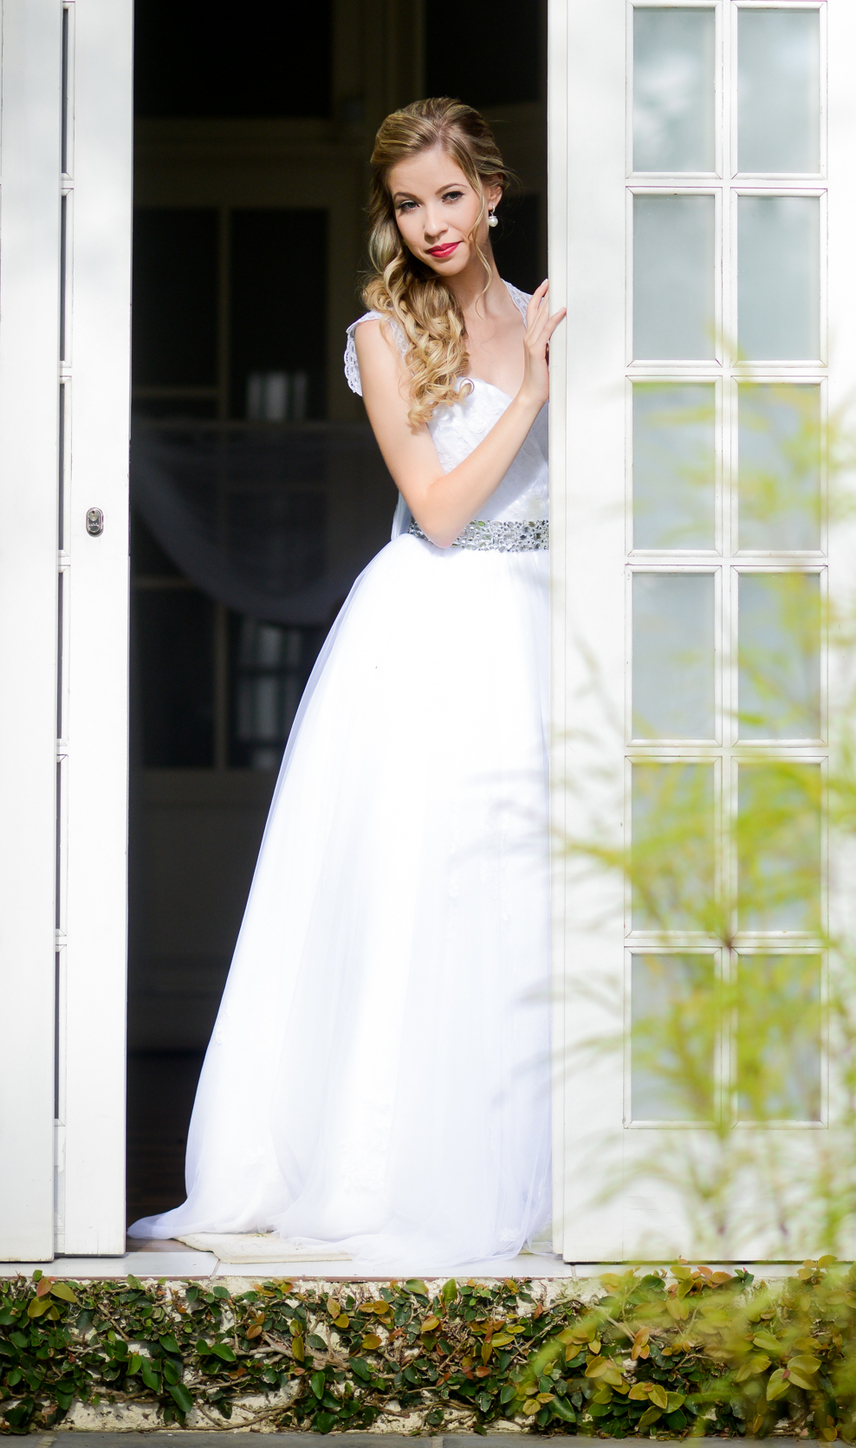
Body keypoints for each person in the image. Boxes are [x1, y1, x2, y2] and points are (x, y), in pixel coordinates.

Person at [130, 98, 565, 1267]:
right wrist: (526, 396)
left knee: (536, 891)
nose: (431, 222)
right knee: (419, 888)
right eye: (407, 203)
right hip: (435, 621)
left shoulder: (553, 317)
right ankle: (387, 1161)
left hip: (547, 623)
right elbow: (433, 511)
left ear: (493, 192)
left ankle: (549, 1159)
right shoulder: (383, 335)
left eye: (449, 195)